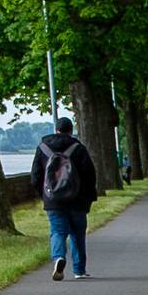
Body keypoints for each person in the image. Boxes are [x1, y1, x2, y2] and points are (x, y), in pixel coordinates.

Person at [30, 117, 99, 281]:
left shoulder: (43, 148)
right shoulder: (78, 148)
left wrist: (44, 195)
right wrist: (89, 197)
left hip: (53, 200)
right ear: (71, 130)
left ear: (56, 129)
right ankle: (79, 270)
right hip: (77, 199)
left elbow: (35, 176)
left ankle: (59, 257)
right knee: (77, 234)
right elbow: (90, 175)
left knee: (58, 232)